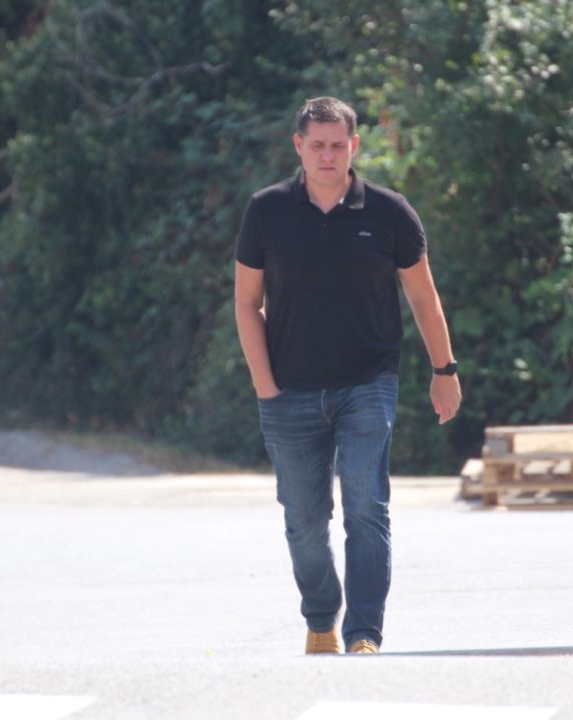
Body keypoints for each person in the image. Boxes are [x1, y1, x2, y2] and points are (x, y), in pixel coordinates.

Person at [233, 96, 461, 655]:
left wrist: (444, 369)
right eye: (317, 145)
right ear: (299, 146)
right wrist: (265, 386)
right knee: (304, 519)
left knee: (366, 506)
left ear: (354, 146)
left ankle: (363, 632)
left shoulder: (390, 212)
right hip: (288, 389)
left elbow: (424, 298)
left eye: (338, 145)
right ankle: (320, 620)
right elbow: (246, 303)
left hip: (368, 383)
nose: (328, 155)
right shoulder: (266, 210)